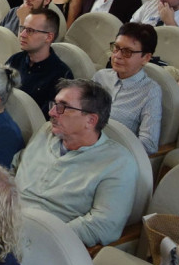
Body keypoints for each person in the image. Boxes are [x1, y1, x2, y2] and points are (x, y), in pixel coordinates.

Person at [14, 78, 136, 246]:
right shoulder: (46, 131)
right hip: (2, 219)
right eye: (55, 104)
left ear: (90, 120)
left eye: (63, 107)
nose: (52, 113)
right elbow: (16, 166)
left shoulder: (118, 163)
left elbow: (104, 225)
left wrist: (45, 237)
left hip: (41, 242)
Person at [93, 23, 162, 154]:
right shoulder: (101, 77)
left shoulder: (150, 91)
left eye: (127, 52)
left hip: (113, 156)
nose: (117, 56)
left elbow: (149, 144)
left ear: (146, 58)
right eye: (116, 48)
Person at [6, 8, 73, 114]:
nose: (22, 34)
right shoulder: (15, 60)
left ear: (48, 37)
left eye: (30, 31)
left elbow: (47, 117)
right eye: (22, 28)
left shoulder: (61, 76)